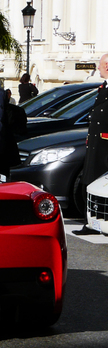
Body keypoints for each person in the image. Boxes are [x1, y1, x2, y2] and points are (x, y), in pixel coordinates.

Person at [73, 53, 108, 235]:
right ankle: (92, 221)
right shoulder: (104, 87)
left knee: (98, 183)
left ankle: (95, 221)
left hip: (105, 145)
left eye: (101, 65)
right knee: (90, 182)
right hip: (96, 143)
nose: (100, 68)